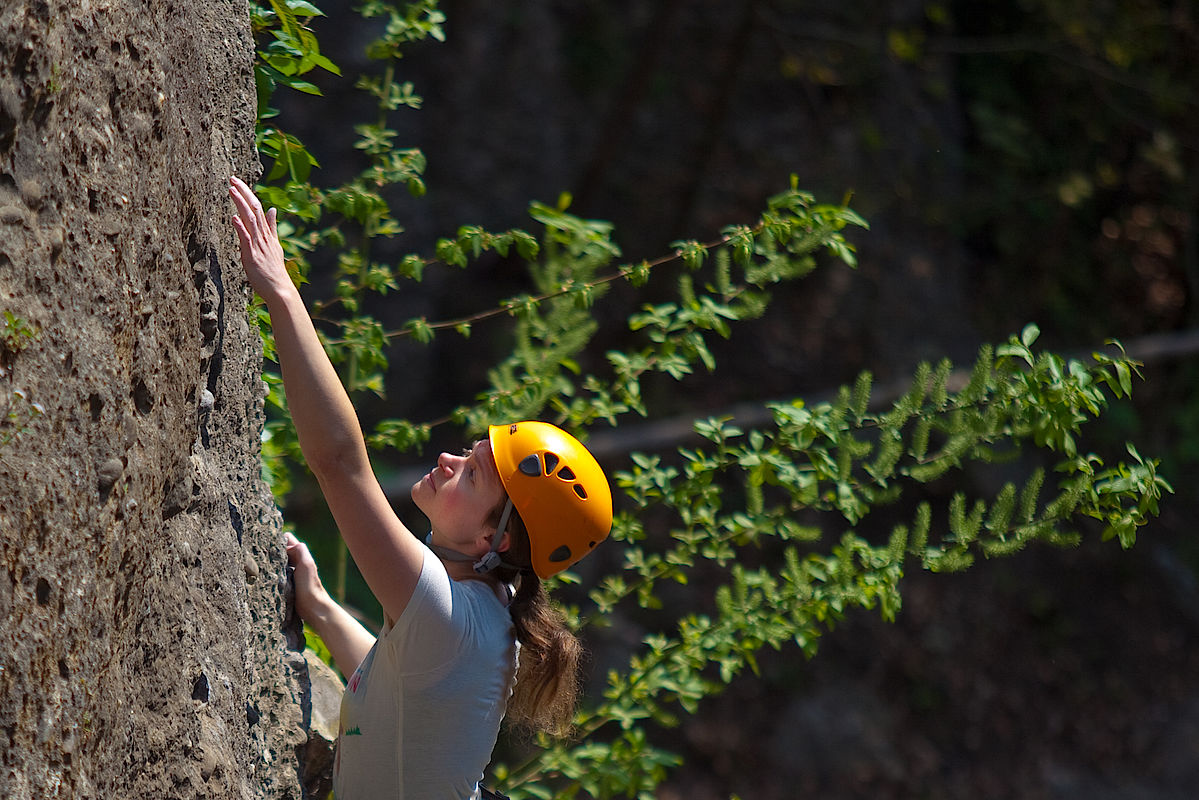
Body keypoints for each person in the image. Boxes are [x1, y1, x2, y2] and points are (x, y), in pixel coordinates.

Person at [228, 175, 612, 799]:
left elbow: (340, 464)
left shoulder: (449, 614)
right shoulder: (479, 614)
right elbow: (395, 692)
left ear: (496, 534)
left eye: (474, 470)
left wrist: (279, 290)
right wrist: (322, 609)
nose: (447, 458)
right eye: (469, 450)